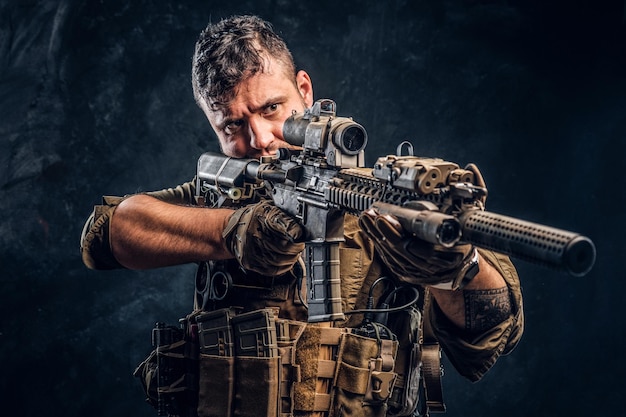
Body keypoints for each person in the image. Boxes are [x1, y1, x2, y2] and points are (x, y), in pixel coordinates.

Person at [80, 15, 523, 417]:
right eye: (231, 126)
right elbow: (106, 234)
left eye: (271, 108)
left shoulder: (378, 196)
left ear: (305, 91)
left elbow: (491, 334)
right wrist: (231, 231)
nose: (261, 139)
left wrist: (459, 269)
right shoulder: (229, 191)